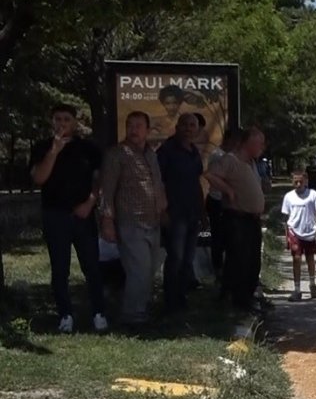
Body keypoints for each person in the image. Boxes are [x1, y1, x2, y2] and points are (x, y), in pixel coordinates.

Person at [28, 103, 109, 333]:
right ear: (52, 122)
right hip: (55, 215)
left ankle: (99, 313)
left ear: (74, 122)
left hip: (83, 214)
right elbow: (39, 178)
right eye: (58, 119)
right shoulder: (43, 147)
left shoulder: (88, 149)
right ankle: (65, 315)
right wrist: (54, 152)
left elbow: (100, 181)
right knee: (60, 267)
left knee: (92, 266)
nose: (62, 123)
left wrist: (90, 203)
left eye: (66, 119)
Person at [100, 111, 168, 326]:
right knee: (139, 270)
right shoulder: (117, 155)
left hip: (154, 222)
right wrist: (107, 221)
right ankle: (132, 316)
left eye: (139, 126)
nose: (134, 129)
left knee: (149, 269)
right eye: (130, 125)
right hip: (131, 222)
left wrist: (163, 209)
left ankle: (141, 309)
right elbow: (107, 190)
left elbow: (157, 184)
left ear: (148, 130)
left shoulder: (151, 154)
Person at [206, 125, 267, 313]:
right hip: (237, 218)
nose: (262, 148)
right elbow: (210, 175)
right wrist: (228, 190)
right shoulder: (230, 160)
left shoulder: (251, 162)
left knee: (252, 260)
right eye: (259, 144)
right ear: (248, 143)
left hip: (252, 219)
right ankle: (238, 300)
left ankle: (247, 296)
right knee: (239, 259)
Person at [156, 112, 204, 311]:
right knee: (175, 257)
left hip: (193, 212)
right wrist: (162, 211)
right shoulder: (166, 151)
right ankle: (170, 302)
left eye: (193, 126)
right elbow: (158, 182)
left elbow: (197, 182)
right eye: (185, 125)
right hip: (174, 213)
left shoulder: (194, 151)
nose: (189, 129)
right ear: (177, 127)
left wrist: (203, 211)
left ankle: (182, 298)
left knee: (188, 259)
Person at [203, 126, 241, 295]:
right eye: (236, 141)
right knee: (218, 238)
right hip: (218, 200)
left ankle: (230, 272)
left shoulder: (233, 156)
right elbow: (215, 176)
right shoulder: (218, 155)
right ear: (229, 139)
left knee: (230, 238)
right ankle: (218, 271)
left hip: (230, 202)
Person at [281, 170, 316, 301]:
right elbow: (286, 218)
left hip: (309, 231)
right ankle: (297, 289)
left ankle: (312, 284)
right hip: (294, 231)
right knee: (296, 258)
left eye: (301, 181)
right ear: (292, 181)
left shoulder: (312, 195)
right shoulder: (288, 197)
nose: (298, 184)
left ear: (306, 181)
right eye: (296, 181)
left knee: (310, 258)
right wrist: (286, 237)